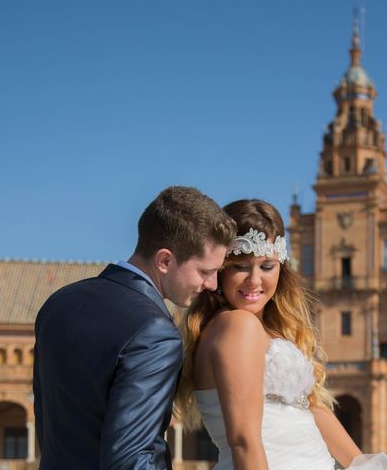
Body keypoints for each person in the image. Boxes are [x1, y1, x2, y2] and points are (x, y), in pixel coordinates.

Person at [175, 199, 387, 470]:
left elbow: (311, 408)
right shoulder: (237, 325)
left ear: (281, 268)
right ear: (221, 270)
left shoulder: (266, 329)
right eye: (240, 266)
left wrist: (365, 466)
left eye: (267, 266)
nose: (254, 280)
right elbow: (244, 440)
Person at [34, 186, 236, 470]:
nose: (212, 284)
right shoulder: (155, 334)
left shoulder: (58, 303)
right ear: (164, 260)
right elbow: (130, 459)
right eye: (205, 271)